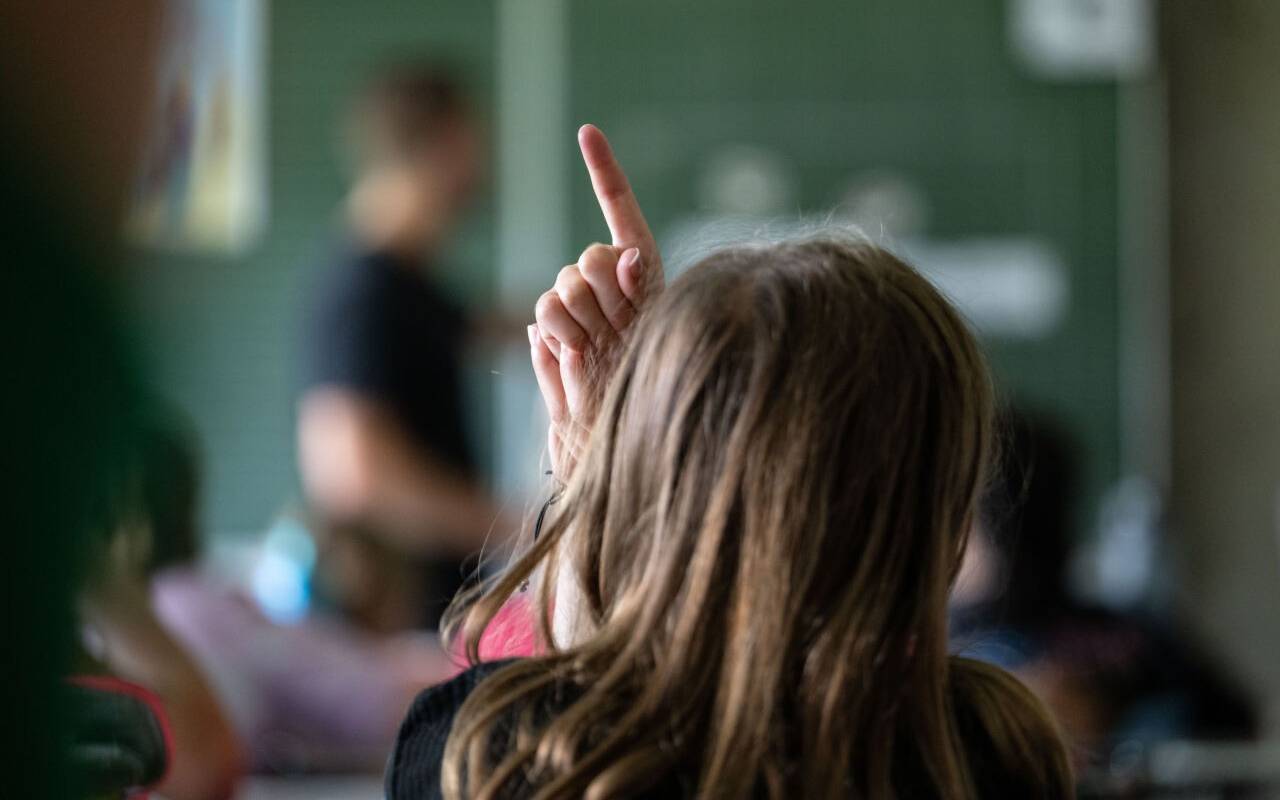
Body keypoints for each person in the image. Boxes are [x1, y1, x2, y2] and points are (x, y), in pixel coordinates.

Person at [384, 125, 1074, 799]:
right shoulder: (986, 748)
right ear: (947, 522)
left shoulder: (478, 749)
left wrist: (602, 482)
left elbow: (573, 720)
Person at [298, 62, 504, 632]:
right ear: (438, 146)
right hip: (403, 636)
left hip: (437, 618)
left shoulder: (410, 284)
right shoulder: (364, 289)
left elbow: (488, 324)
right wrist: (514, 526)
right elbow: (355, 473)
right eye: (471, 144)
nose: (480, 168)